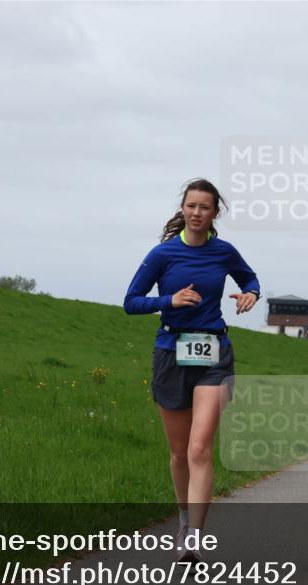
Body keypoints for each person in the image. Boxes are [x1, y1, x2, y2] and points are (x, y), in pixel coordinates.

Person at [124, 178, 260, 562]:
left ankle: (195, 537)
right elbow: (130, 301)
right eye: (192, 206)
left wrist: (251, 293)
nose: (197, 213)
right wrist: (170, 299)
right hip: (171, 351)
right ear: (182, 209)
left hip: (213, 352)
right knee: (179, 452)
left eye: (205, 207)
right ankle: (183, 520)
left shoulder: (224, 251)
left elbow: (249, 278)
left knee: (200, 448)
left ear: (216, 213)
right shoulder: (162, 255)